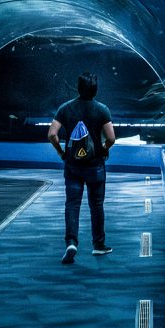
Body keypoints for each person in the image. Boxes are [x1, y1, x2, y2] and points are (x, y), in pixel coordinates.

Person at [48, 72, 116, 264]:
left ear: (78, 88)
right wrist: (103, 149)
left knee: (72, 204)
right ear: (95, 89)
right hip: (95, 167)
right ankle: (98, 245)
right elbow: (111, 138)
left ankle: (71, 242)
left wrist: (62, 153)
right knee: (96, 205)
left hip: (72, 166)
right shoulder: (102, 110)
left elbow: (52, 134)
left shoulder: (65, 108)